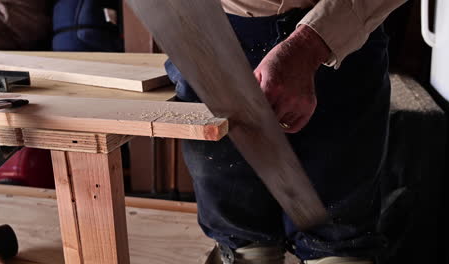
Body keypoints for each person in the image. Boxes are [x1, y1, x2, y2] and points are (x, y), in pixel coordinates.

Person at [165, 1, 407, 263]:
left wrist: (310, 45)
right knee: (244, 243)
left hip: (340, 28)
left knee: (338, 241)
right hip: (212, 27)